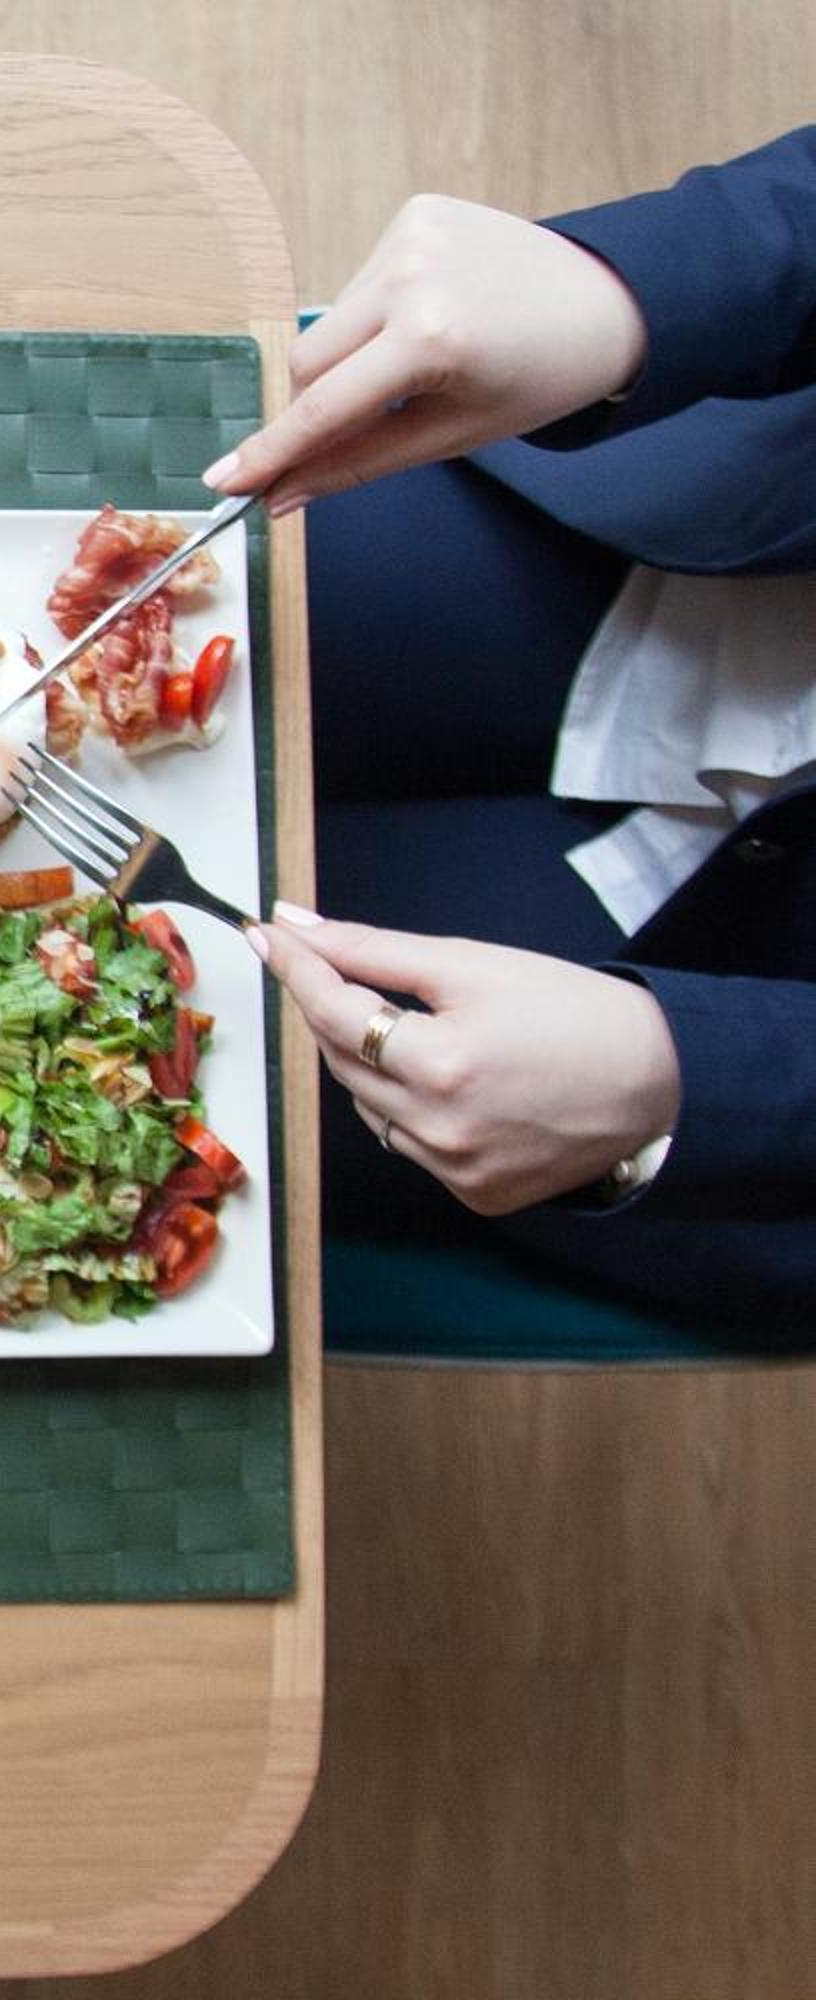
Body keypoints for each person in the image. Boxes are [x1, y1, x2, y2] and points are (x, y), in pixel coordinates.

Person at [203, 127, 816, 1327]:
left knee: (137, 1051)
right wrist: (647, 280)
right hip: (718, 525)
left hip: (730, 1002)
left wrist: (692, 1071)